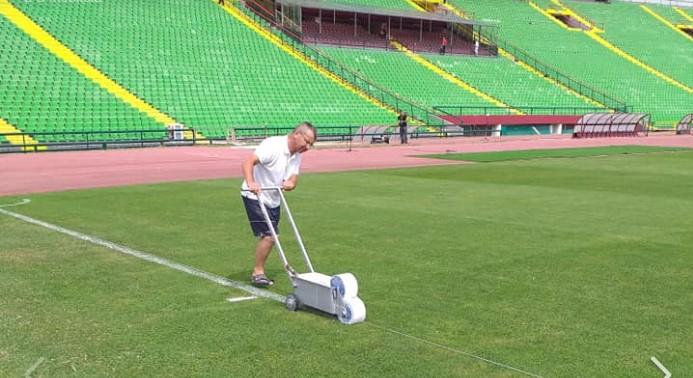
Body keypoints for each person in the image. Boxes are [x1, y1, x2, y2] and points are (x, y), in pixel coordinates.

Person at [241, 122, 317, 287]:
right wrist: (251, 182)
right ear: (297, 134)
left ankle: (259, 270)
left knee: (270, 236)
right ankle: (258, 272)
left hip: (273, 197)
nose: (308, 147)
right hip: (254, 195)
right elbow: (248, 162)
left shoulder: (296, 155)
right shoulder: (273, 146)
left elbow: (293, 177)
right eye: (307, 141)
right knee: (270, 236)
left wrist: (290, 183)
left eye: (311, 144)